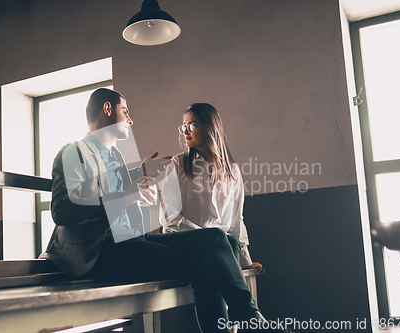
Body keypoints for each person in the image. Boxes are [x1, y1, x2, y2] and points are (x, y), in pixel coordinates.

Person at [39, 88, 279, 333]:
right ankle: (250, 320)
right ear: (107, 109)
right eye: (126, 111)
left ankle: (250, 316)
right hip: (99, 252)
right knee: (204, 267)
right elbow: (62, 210)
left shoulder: (117, 157)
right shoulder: (73, 151)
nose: (130, 119)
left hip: (133, 241)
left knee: (217, 237)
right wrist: (129, 194)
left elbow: (116, 197)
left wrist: (138, 177)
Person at [160, 103, 262, 270]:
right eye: (184, 126)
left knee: (227, 244)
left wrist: (246, 262)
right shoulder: (177, 165)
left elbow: (236, 221)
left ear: (209, 128)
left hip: (224, 247)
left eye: (192, 126)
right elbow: (170, 220)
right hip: (186, 247)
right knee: (221, 245)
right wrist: (209, 236)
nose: (185, 131)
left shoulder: (232, 171)